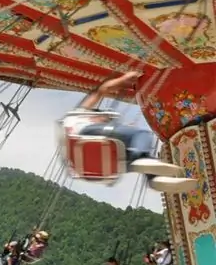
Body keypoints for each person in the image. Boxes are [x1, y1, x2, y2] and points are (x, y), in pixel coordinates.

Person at [60, 71, 195, 193]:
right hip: (84, 133)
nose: (104, 120)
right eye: (102, 118)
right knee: (141, 135)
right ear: (96, 115)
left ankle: (155, 180)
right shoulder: (82, 113)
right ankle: (144, 163)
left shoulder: (80, 132)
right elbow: (102, 90)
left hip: (86, 158)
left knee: (130, 160)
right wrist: (124, 79)